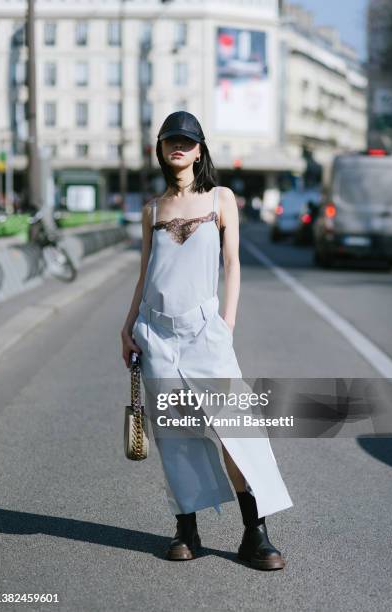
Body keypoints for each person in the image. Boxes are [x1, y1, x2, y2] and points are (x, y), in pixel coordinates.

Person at [120, 111, 293, 571]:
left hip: (205, 333)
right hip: (155, 334)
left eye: (186, 140)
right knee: (175, 436)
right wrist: (128, 325)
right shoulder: (152, 210)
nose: (177, 146)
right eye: (169, 140)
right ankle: (187, 529)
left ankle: (254, 534)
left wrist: (226, 325)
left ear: (199, 150)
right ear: (159, 149)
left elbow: (232, 263)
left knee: (235, 433)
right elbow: (145, 274)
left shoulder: (221, 198)